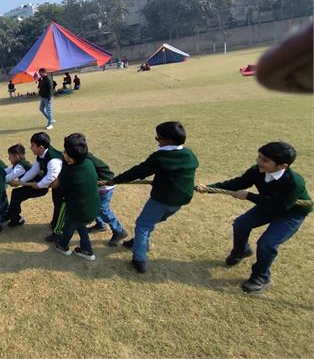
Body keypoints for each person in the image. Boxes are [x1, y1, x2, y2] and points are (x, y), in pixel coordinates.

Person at [197, 142, 311, 293]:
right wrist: (209, 188)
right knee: (241, 224)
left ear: (282, 166)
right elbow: (238, 183)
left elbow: (279, 207)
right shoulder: (257, 170)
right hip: (269, 204)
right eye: (259, 157)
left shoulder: (294, 182)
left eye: (265, 160)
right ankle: (241, 250)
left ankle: (261, 277)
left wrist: (249, 196)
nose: (259, 162)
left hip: (291, 212)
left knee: (267, 243)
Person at [106, 121, 199, 273]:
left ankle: (139, 259)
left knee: (142, 225)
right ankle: (139, 242)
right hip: (180, 201)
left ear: (169, 141)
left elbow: (138, 171)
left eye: (158, 138)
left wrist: (116, 180)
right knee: (150, 222)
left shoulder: (161, 157)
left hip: (162, 200)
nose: (157, 140)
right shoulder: (189, 154)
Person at [53, 134, 99, 261]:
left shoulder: (68, 172)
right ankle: (87, 249)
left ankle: (63, 245)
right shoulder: (89, 162)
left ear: (70, 158)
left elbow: (60, 185)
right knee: (80, 224)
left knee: (70, 225)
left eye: (65, 152)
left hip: (78, 210)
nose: (63, 153)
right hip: (92, 208)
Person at [6, 132, 63, 235]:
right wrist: (21, 182)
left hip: (61, 185)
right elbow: (33, 171)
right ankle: (14, 217)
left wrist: (38, 185)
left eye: (33, 146)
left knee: (60, 205)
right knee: (17, 193)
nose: (30, 148)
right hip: (49, 184)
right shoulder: (40, 155)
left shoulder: (53, 159)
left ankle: (57, 230)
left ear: (40, 147)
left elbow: (51, 177)